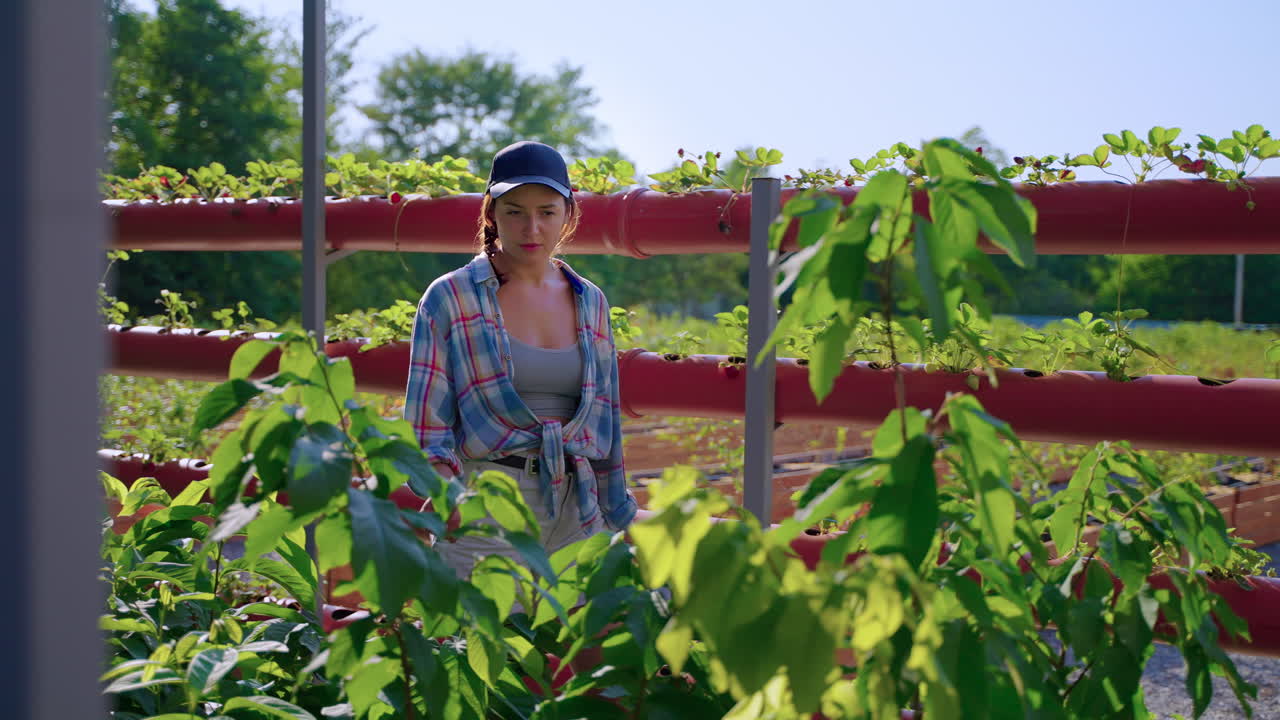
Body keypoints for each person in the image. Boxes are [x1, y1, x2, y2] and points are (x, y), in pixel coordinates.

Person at [403, 140, 637, 579]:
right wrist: (448, 495)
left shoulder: (591, 302)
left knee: (582, 645)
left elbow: (606, 426)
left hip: (578, 509)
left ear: (568, 214)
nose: (532, 228)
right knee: (481, 644)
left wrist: (618, 515)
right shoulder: (450, 297)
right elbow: (425, 424)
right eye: (515, 211)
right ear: (491, 213)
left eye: (547, 212)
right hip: (487, 505)